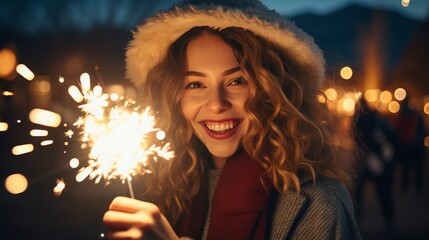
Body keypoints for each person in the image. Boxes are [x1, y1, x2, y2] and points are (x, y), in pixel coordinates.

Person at [103, 0, 362, 239]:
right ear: (174, 97)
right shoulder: (170, 189)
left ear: (272, 91)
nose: (216, 104)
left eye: (236, 81)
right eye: (195, 84)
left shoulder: (317, 203)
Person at [352, 98, 396, 233]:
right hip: (378, 160)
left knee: (359, 194)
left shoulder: (358, 120)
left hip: (366, 160)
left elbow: (358, 140)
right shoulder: (376, 117)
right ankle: (389, 220)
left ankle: (355, 220)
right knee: (383, 192)